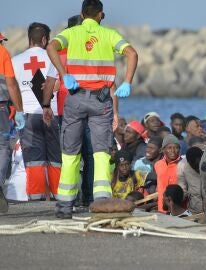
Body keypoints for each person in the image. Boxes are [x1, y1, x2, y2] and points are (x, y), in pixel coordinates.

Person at [46, 0, 138, 218]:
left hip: (75, 98)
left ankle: (64, 206)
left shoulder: (72, 33)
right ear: (101, 15)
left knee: (70, 154)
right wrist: (127, 82)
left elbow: (51, 46)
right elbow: (132, 54)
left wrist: (64, 74)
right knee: (100, 153)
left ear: (81, 13)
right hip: (101, 101)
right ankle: (101, 203)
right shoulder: (109, 34)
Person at [11, 23, 61, 201]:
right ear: (46, 39)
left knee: (33, 160)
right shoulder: (54, 58)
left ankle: (36, 197)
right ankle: (58, 195)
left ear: (29, 39)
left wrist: (17, 111)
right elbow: (60, 85)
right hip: (52, 113)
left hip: (28, 116)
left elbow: (11, 88)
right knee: (56, 157)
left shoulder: (15, 61)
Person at [0, 32, 25, 212]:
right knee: (2, 147)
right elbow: (11, 83)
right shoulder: (2, 53)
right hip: (1, 106)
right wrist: (19, 108)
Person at [154, 134, 182, 213]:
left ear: (179, 149)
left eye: (176, 147)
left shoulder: (183, 165)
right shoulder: (158, 165)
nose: (173, 150)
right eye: (169, 148)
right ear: (163, 149)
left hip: (177, 209)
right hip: (161, 208)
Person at [177, 146, 206, 214]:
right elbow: (182, 189)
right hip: (195, 210)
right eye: (194, 166)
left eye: (199, 164)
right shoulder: (182, 166)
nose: (197, 168)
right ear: (188, 162)